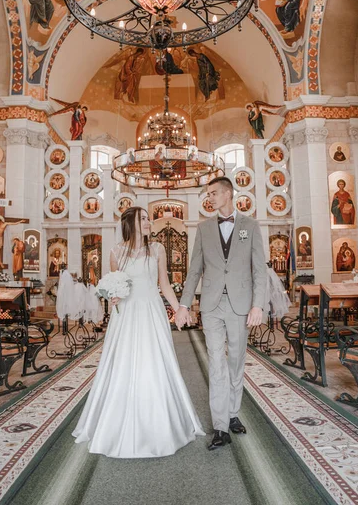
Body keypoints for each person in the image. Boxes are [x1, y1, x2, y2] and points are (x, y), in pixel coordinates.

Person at [73, 207, 204, 457]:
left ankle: (160, 422)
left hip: (152, 311)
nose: (148, 222)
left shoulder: (157, 249)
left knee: (154, 362)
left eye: (147, 218)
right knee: (124, 363)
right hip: (127, 315)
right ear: (130, 223)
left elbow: (164, 284)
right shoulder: (115, 252)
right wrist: (113, 296)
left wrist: (179, 310)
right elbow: (116, 284)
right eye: (142, 219)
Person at [177, 177, 266, 450]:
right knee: (216, 362)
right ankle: (220, 427)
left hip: (241, 305)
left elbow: (259, 269)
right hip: (212, 305)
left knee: (236, 361)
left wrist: (258, 305)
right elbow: (194, 270)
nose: (210, 198)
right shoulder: (203, 228)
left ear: (228, 194)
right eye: (208, 194)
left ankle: (233, 413)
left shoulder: (250, 226)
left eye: (214, 193)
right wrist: (183, 304)